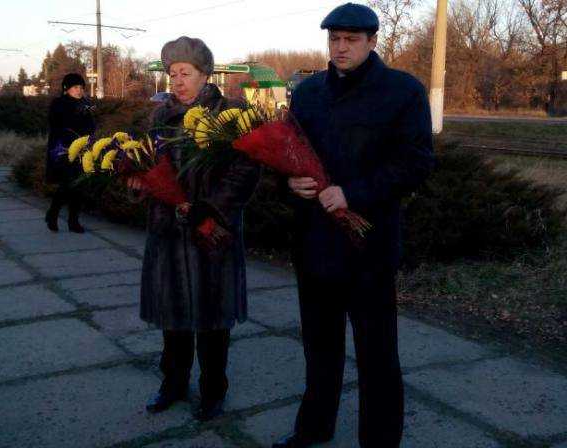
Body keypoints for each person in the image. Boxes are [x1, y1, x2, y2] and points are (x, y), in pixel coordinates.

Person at [274, 3, 435, 448]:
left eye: (350, 40)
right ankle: (313, 429)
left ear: (372, 41)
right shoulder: (307, 93)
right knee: (319, 350)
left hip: (370, 250)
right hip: (314, 245)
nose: (340, 48)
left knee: (377, 356)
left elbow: (417, 162)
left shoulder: (402, 91)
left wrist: (354, 192)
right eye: (334, 39)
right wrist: (289, 180)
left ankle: (379, 442)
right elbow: (286, 151)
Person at [134, 36, 260, 421]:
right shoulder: (159, 118)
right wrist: (138, 185)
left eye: (185, 73)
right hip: (168, 235)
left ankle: (212, 391)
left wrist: (210, 207)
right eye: (172, 74)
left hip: (211, 233)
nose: (177, 81)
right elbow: (144, 164)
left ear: (205, 74)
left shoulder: (230, 114)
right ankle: (172, 384)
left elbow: (246, 169)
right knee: (172, 319)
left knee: (211, 320)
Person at [45, 73, 95, 233]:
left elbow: (91, 125)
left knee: (78, 184)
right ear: (66, 89)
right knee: (67, 184)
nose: (79, 90)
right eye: (75, 87)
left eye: (81, 87)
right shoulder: (58, 104)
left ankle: (73, 221)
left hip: (82, 149)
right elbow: (57, 125)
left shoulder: (86, 104)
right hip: (63, 149)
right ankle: (53, 213)